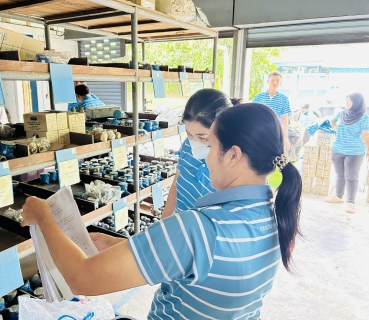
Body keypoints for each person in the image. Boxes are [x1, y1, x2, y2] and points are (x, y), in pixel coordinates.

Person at [20, 103, 302, 319]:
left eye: (210, 145)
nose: (202, 154)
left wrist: (44, 216)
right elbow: (197, 268)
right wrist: (121, 246)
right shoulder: (273, 215)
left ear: (233, 155)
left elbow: (81, 278)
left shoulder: (199, 228)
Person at [162, 89, 232, 218]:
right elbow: (175, 185)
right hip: (181, 228)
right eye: (189, 134)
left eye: (203, 137)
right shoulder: (187, 146)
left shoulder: (234, 163)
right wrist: (163, 223)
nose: (194, 142)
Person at [326, 93, 369, 213]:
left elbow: (366, 135)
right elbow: (332, 121)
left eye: (349, 101)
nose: (347, 103)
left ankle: (350, 203)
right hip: (337, 149)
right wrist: (337, 131)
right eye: (346, 101)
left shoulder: (364, 118)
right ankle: (338, 197)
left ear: (357, 103)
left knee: (351, 177)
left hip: (354, 152)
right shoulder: (341, 113)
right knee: (339, 175)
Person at [253, 71, 291, 150]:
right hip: (260, 131)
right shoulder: (258, 97)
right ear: (267, 81)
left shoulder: (284, 99)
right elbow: (253, 115)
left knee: (274, 154)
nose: (275, 83)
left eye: (277, 81)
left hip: (276, 132)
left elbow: (285, 118)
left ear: (280, 83)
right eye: (272, 80)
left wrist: (285, 136)